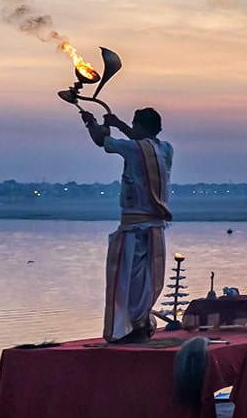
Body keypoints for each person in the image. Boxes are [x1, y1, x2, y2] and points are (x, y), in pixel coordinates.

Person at [67, 98, 172, 344]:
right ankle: (139, 324)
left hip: (135, 229)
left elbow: (101, 141)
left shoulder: (135, 149)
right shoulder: (165, 149)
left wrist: (91, 123)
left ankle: (133, 327)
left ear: (139, 126)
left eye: (134, 125)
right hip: (154, 229)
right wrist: (118, 124)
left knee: (128, 282)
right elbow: (138, 141)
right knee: (144, 282)